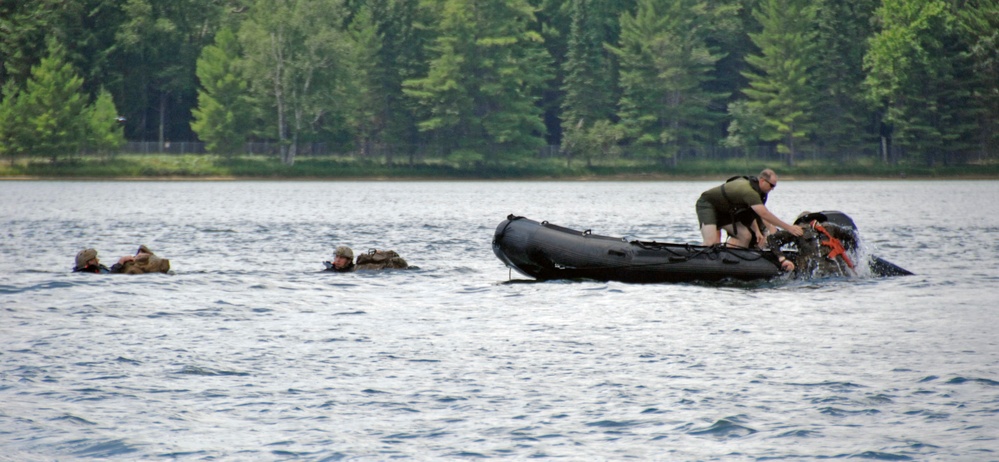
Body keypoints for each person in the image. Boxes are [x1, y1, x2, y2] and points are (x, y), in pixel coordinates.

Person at [695, 168, 803, 249]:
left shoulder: (759, 193)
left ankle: (734, 264)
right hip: (708, 206)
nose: (772, 189)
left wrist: (757, 231)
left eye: (774, 186)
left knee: (745, 236)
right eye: (771, 185)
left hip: (725, 212)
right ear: (762, 181)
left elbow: (751, 214)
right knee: (711, 242)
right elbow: (764, 213)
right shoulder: (750, 192)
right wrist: (789, 228)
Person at [72, 245, 170, 274]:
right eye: (94, 258)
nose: (97, 259)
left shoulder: (96, 268)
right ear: (88, 262)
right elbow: (110, 276)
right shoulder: (91, 271)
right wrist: (120, 262)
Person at [323, 245, 409, 272]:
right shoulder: (331, 268)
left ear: (349, 260)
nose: (337, 260)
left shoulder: (357, 268)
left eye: (341, 258)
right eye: (336, 257)